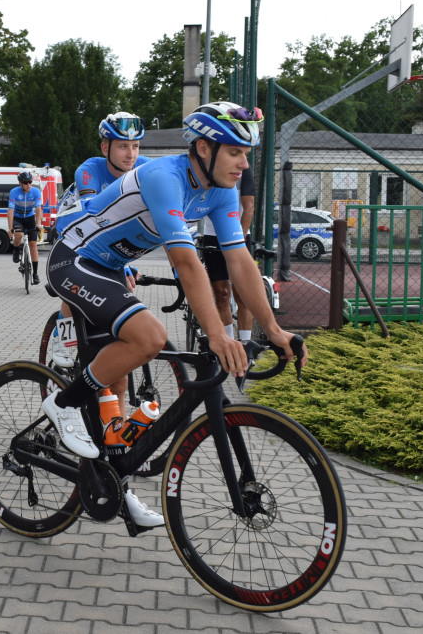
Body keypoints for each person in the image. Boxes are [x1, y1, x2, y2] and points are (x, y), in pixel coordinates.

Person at [41, 102, 305, 529]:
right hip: (75, 260)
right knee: (149, 338)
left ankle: (116, 483)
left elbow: (238, 261)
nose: (244, 163)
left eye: (247, 153)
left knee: (132, 362)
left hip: (108, 267)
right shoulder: (164, 177)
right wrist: (219, 335)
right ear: (203, 147)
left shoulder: (221, 191)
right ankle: (63, 402)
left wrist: (274, 330)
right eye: (235, 151)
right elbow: (185, 262)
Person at [50, 112, 150, 369]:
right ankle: (61, 339)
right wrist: (122, 264)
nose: (131, 154)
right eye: (122, 146)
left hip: (110, 237)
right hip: (74, 230)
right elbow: (91, 217)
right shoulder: (89, 169)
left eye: (135, 146)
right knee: (76, 285)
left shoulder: (145, 167)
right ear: (105, 147)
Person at [196, 166, 257, 341]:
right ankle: (229, 343)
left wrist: (239, 239)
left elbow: (249, 207)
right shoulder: (207, 169)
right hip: (212, 236)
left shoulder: (243, 171)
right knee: (221, 293)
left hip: (238, 237)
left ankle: (245, 345)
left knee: (243, 295)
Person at [7, 171, 43, 285]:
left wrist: (38, 224)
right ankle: (16, 249)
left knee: (33, 244)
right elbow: (11, 210)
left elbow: (38, 209)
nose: (28, 185)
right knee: (19, 234)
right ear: (20, 183)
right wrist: (10, 227)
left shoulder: (36, 192)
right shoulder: (14, 192)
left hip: (29, 218)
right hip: (18, 218)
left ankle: (35, 274)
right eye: (26, 182)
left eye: (30, 182)